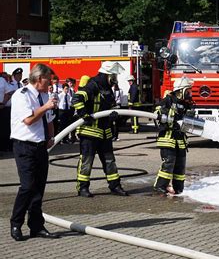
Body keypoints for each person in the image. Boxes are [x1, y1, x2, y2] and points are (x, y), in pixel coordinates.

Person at [9, 63, 60, 241]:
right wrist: (46, 107)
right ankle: (16, 223)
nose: (50, 83)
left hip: (40, 146)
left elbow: (49, 119)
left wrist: (51, 136)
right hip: (24, 146)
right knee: (27, 186)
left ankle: (36, 226)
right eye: (48, 80)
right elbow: (29, 119)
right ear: (39, 79)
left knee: (38, 187)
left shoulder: (45, 95)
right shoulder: (22, 95)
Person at [72, 62, 129, 197]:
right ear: (106, 75)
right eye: (113, 76)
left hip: (105, 131)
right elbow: (77, 98)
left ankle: (115, 186)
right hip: (89, 131)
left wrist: (113, 115)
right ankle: (83, 187)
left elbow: (107, 107)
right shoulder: (93, 85)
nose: (115, 79)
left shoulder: (108, 88)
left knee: (110, 161)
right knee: (87, 160)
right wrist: (84, 114)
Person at [152, 76, 194, 196]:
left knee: (180, 165)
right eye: (188, 91)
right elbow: (156, 112)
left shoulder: (186, 104)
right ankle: (160, 187)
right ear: (180, 90)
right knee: (169, 163)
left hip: (180, 139)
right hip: (168, 137)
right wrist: (163, 114)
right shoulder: (168, 100)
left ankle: (179, 188)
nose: (189, 94)